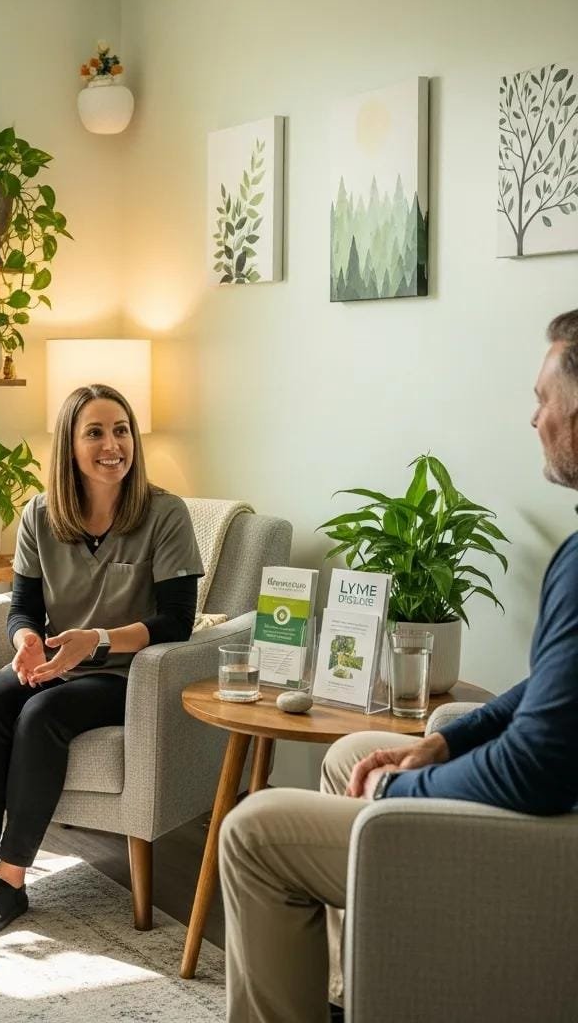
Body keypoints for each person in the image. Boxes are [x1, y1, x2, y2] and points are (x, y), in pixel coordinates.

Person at [219, 308, 578, 1023]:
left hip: (545, 847)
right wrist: (442, 743)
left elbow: (538, 764)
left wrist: (401, 791)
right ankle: (354, 999)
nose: (533, 418)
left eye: (544, 400)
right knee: (349, 755)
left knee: (252, 832)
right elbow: (551, 691)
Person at [0, 383, 205, 936]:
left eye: (121, 431)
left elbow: (177, 622)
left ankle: (11, 880)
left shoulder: (166, 513)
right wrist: (26, 641)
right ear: (69, 446)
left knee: (41, 716)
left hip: (129, 675)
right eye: (95, 433)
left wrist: (97, 640)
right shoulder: (40, 513)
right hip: (56, 661)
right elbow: (22, 608)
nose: (112, 445)